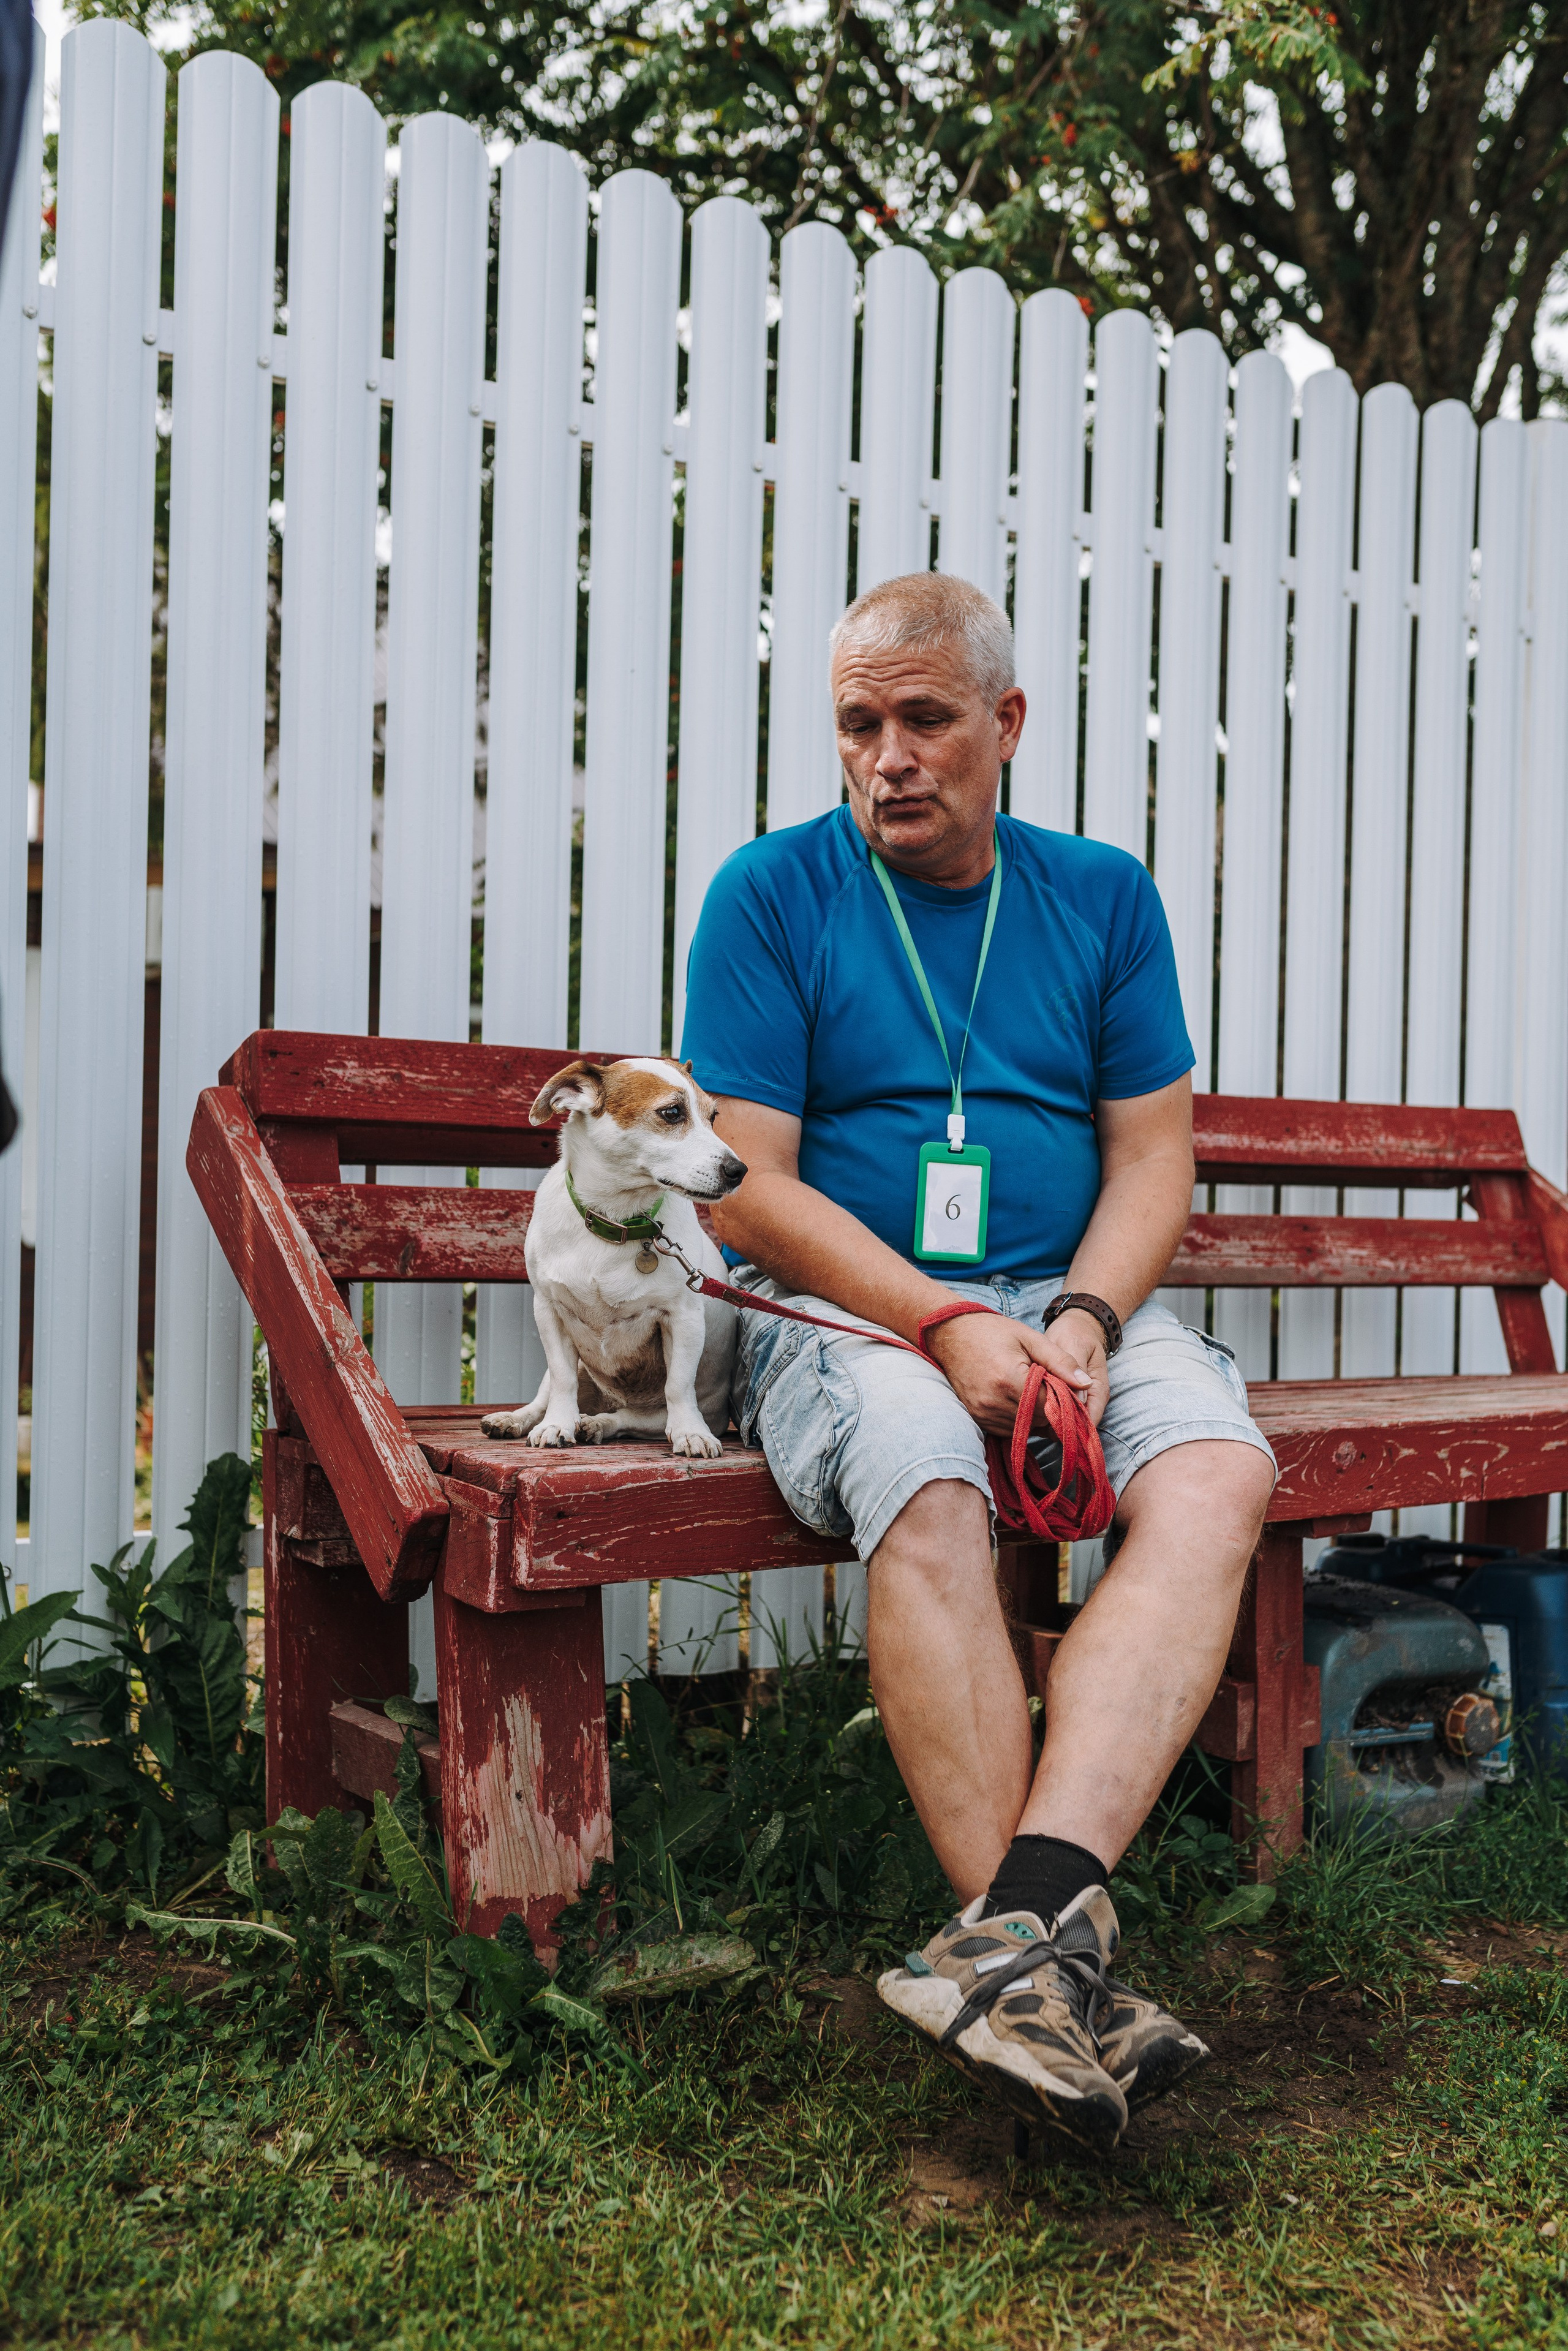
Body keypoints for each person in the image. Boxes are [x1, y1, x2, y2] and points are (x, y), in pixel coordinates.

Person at [680, 571, 1276, 2154]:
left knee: (1217, 1475)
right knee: (932, 1477)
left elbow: (1151, 1159)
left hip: (1066, 1300)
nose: (886, 757)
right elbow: (749, 1188)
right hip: (849, 1310)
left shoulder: (1103, 899)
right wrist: (943, 1325)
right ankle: (1048, 1965)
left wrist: (1081, 1323)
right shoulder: (771, 894)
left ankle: (1014, 1948)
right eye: (856, 724)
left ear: (1006, 723)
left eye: (924, 719)